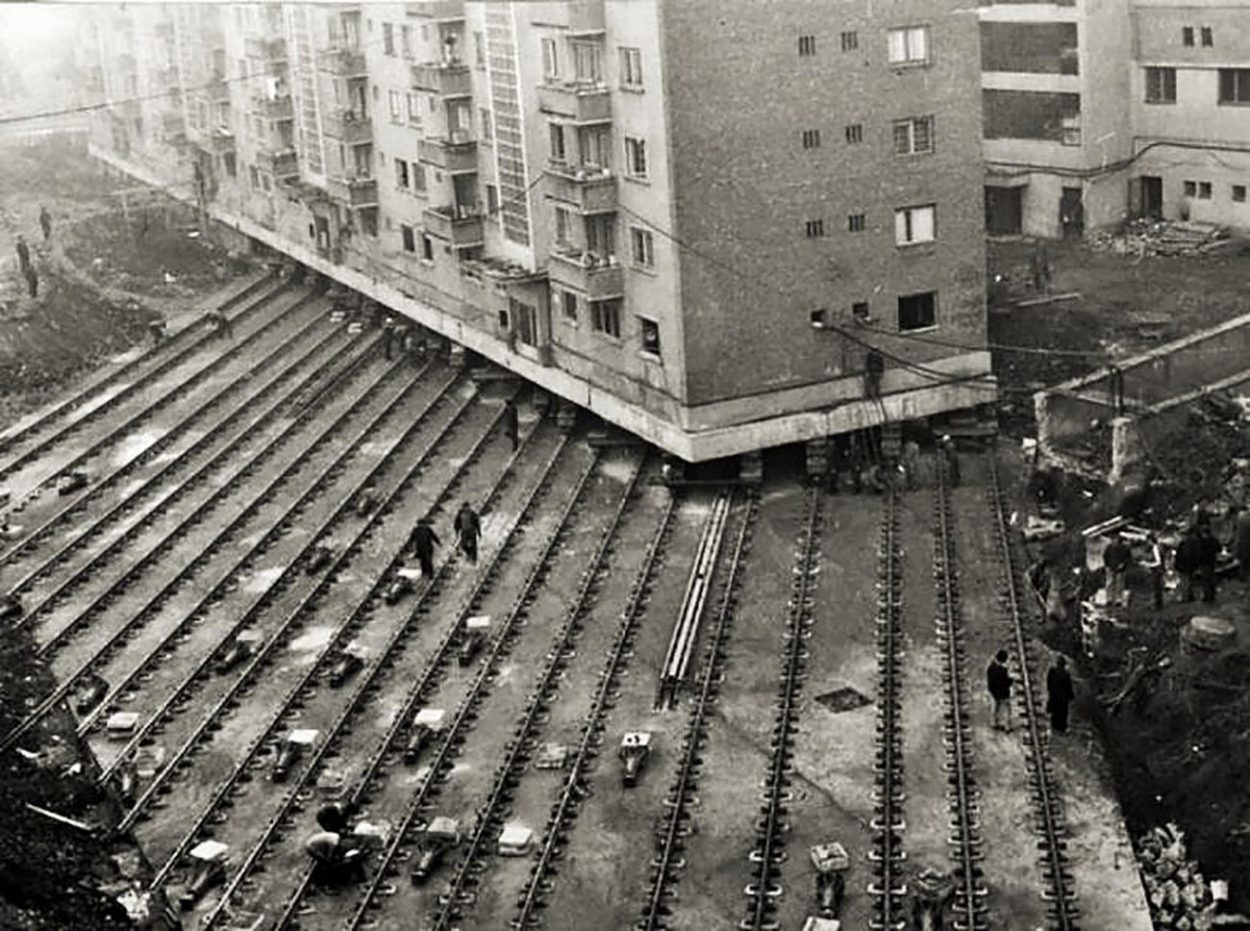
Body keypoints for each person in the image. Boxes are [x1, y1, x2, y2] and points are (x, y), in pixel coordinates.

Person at [1046, 655, 1076, 734]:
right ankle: (1061, 728)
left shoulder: (1052, 671)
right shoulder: (1066, 674)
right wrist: (1071, 696)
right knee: (1062, 713)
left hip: (1054, 694)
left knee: (1055, 711)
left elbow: (1049, 682)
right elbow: (1068, 686)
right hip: (1063, 697)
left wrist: (1050, 690)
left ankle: (1054, 726)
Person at [1102, 533, 1132, 608]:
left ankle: (1118, 600)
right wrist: (1107, 566)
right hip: (1110, 567)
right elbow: (1105, 557)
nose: (1114, 541)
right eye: (1113, 539)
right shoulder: (1109, 548)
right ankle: (1109, 599)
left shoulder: (1124, 548)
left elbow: (1128, 558)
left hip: (1120, 568)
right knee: (1109, 583)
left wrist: (1123, 564)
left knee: (1119, 584)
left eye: (1115, 539)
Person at [986, 649, 1012, 731]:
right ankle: (1006, 725)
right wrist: (1011, 680)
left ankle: (993, 723)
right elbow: (1006, 682)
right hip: (1003, 693)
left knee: (994, 708)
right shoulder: (1003, 670)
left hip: (993, 691)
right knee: (1007, 708)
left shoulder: (991, 668)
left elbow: (990, 681)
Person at [1175, 525, 1202, 603]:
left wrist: (1177, 563)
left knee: (1184, 581)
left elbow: (1181, 554)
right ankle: (1191, 596)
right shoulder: (1196, 541)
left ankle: (1185, 597)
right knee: (1190, 581)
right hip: (1192, 565)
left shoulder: (1184, 542)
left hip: (1183, 564)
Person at [1197, 522, 1221, 604]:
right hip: (1212, 562)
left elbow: (1198, 552)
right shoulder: (1213, 540)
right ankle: (1212, 596)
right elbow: (1219, 549)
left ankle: (1207, 597)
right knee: (1211, 579)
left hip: (1203, 563)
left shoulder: (1200, 541)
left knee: (1205, 580)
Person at [1234, 506, 1250, 582]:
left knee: (1243, 563)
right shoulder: (1245, 519)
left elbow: (1239, 536)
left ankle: (1242, 577)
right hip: (1246, 545)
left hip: (1243, 546)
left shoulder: (1241, 520)